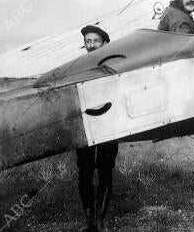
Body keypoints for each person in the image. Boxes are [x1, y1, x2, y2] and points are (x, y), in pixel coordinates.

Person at [77, 25, 118, 232]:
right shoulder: (78, 66)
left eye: (96, 41)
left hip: (108, 125)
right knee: (84, 172)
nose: (92, 45)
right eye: (88, 42)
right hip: (85, 125)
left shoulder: (113, 65)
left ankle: (101, 222)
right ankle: (90, 221)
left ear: (105, 43)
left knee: (105, 170)